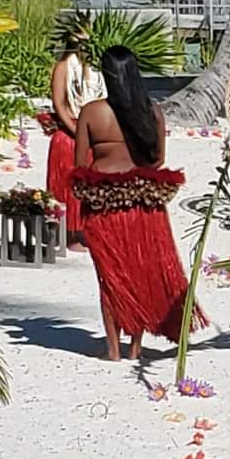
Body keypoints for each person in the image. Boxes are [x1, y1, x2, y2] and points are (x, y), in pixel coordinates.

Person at [72, 46, 207, 360]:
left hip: (103, 206)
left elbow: (79, 164)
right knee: (139, 271)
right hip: (144, 206)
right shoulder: (153, 111)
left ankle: (112, 350)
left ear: (107, 75)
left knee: (110, 276)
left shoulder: (92, 112)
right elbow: (158, 160)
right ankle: (134, 348)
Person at [47, 30, 106, 251]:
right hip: (70, 131)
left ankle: (87, 228)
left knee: (91, 182)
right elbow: (59, 104)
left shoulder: (96, 69)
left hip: (92, 131)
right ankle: (71, 233)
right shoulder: (63, 66)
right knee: (70, 185)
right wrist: (77, 130)